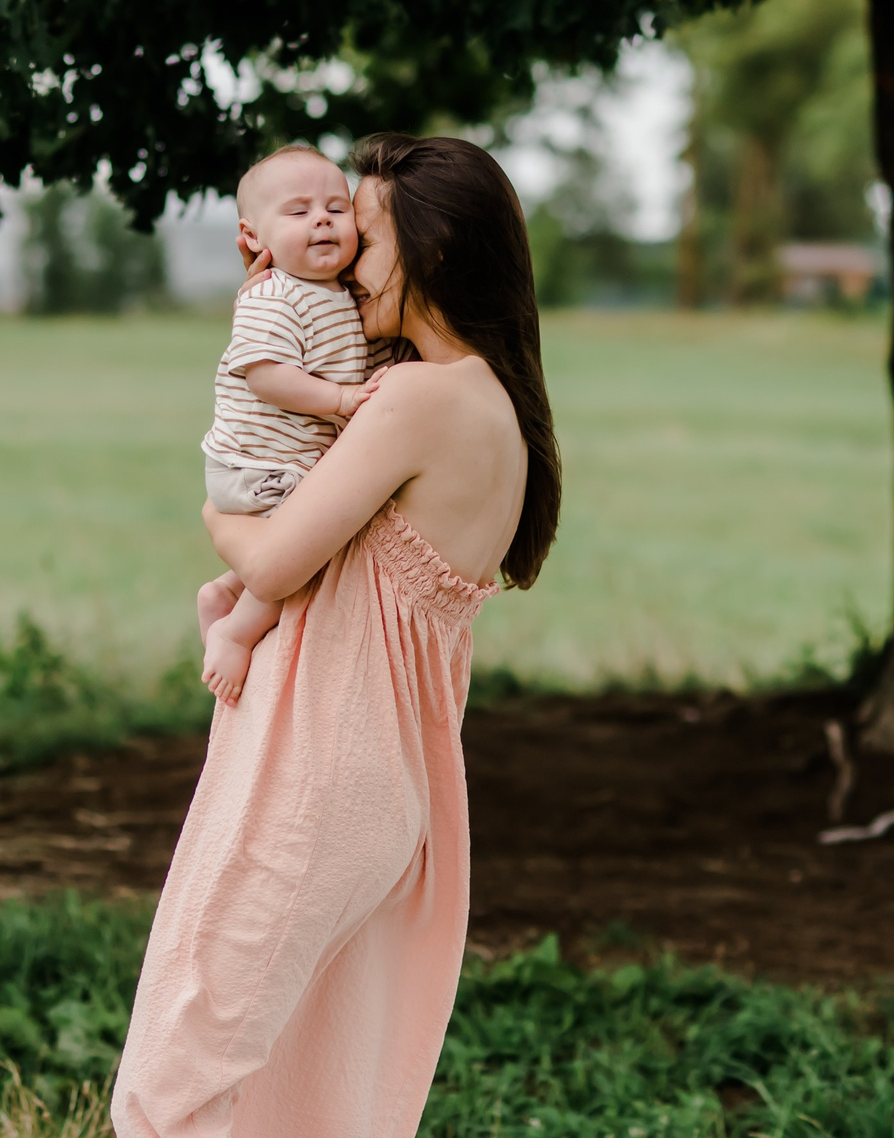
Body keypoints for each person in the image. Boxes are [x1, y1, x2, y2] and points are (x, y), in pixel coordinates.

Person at [111, 133, 563, 1138]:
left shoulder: (411, 400)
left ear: (429, 252)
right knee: (300, 1086)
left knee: (180, 1066)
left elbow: (270, 560)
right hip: (382, 780)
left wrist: (214, 516)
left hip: (315, 765)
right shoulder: (492, 406)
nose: (341, 256)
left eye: (359, 237)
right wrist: (282, 297)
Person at [196, 143, 382, 705]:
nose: (321, 219)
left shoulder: (339, 295)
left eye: (336, 207)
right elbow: (267, 377)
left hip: (285, 461)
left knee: (309, 539)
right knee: (305, 544)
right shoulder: (272, 295)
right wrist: (343, 399)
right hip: (257, 463)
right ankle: (236, 631)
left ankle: (226, 592)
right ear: (253, 237)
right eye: (298, 212)